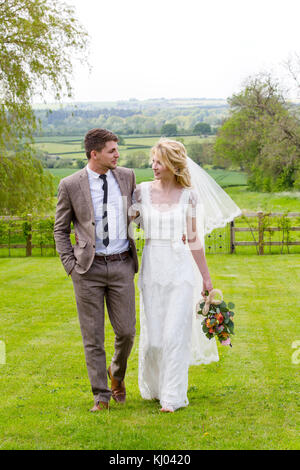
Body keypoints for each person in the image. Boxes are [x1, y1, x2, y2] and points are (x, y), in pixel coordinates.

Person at [130, 138, 241, 413]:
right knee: (154, 337)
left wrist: (206, 277)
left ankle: (172, 397)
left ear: (173, 164)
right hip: (152, 268)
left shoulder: (188, 195)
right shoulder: (140, 192)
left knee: (175, 335)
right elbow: (128, 224)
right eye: (152, 161)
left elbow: (193, 239)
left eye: (159, 162)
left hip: (180, 270)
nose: (153, 166)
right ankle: (155, 388)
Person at [54, 128, 138, 412]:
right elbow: (60, 228)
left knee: (126, 332)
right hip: (87, 270)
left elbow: (139, 211)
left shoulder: (126, 176)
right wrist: (70, 265)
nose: (118, 154)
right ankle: (101, 396)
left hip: (121, 264)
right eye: (112, 150)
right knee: (93, 337)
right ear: (95, 154)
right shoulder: (70, 184)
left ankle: (117, 374)